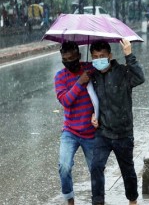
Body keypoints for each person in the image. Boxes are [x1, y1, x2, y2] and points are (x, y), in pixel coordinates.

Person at [89, 39, 145, 205]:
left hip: (123, 133)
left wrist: (129, 55)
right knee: (96, 166)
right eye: (95, 57)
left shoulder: (122, 72)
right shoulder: (93, 77)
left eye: (102, 56)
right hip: (103, 133)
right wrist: (93, 114)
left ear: (110, 56)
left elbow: (140, 78)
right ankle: (98, 202)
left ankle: (132, 200)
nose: (98, 59)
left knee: (127, 170)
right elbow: (93, 100)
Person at [54, 41, 96, 205]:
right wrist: (79, 82)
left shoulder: (90, 69)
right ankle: (69, 200)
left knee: (96, 170)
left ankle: (97, 199)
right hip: (70, 131)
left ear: (78, 56)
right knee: (64, 167)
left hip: (90, 132)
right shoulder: (60, 77)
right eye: (65, 59)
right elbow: (65, 101)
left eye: (72, 58)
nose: (69, 62)